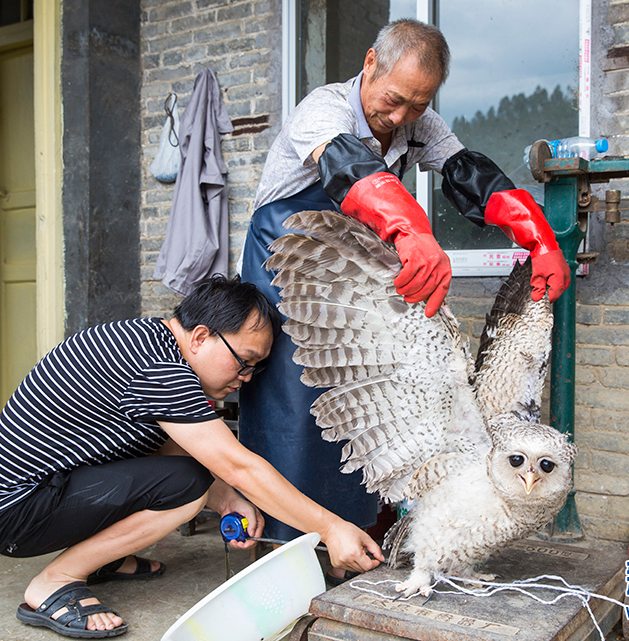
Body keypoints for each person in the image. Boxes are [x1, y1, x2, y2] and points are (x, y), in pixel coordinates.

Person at [239, 19, 572, 556]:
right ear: (370, 62)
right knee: (295, 404)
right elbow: (350, 167)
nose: (400, 117)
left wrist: (537, 236)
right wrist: (411, 231)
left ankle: (357, 539)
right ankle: (281, 545)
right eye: (393, 100)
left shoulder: (420, 121)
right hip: (287, 259)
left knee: (366, 406)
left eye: (417, 106)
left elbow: (468, 174)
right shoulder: (322, 110)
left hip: (360, 276)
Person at [0, 275, 383, 639]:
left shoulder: (148, 344)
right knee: (187, 486)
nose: (244, 380)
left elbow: (165, 447)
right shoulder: (160, 369)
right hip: (11, 511)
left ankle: (101, 558)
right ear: (200, 337)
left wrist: (227, 501)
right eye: (244, 363)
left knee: (188, 478)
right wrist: (331, 528)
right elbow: (236, 463)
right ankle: (53, 582)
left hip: (35, 494)